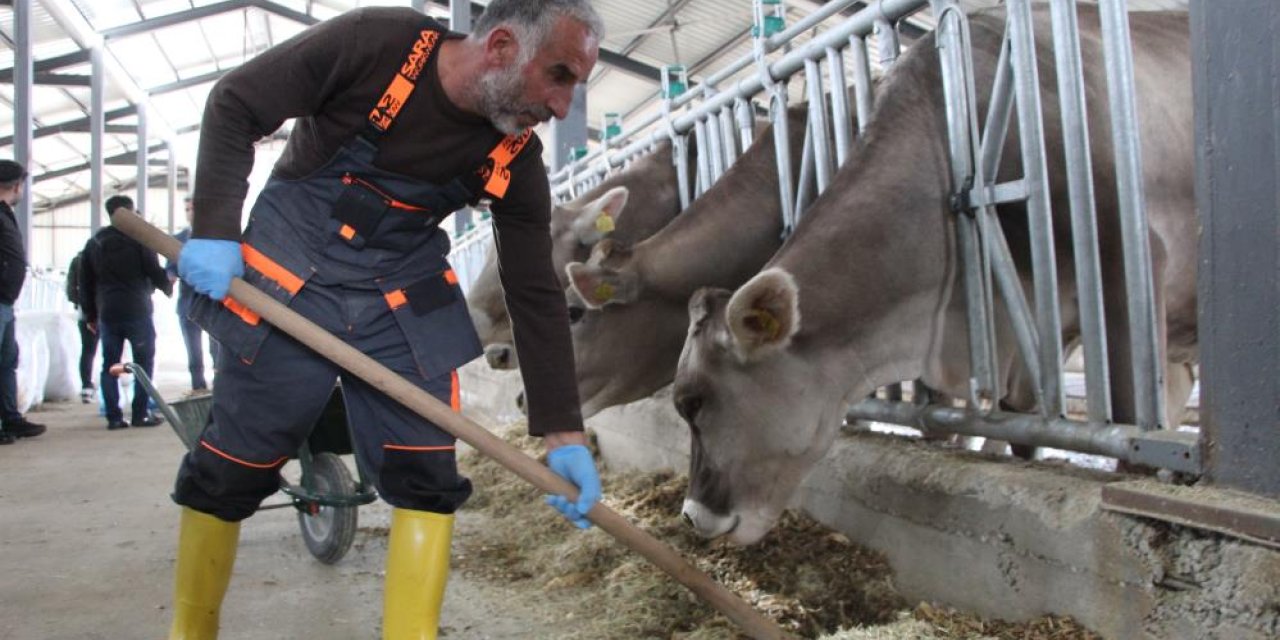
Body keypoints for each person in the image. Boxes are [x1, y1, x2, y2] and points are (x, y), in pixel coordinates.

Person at [169, 1, 604, 637]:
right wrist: (213, 227)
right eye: (559, 75)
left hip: (401, 288)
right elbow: (235, 101)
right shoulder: (378, 45)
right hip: (293, 271)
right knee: (233, 465)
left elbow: (534, 289)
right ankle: (190, 629)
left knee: (426, 470)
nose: (564, 107)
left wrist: (564, 430)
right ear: (503, 47)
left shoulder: (516, 158)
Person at [79, 194, 172, 431]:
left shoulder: (95, 242)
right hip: (137, 309)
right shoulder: (139, 240)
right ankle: (140, 414)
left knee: (110, 364)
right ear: (129, 213)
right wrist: (168, 285)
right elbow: (154, 270)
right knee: (143, 363)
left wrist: (90, 315)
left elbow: (85, 281)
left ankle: (114, 417)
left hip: (108, 312)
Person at [0, 159, 46, 445]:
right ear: (16, 186)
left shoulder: (5, 214)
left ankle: (11, 419)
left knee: (7, 362)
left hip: (6, 302)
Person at [164, 196, 217, 395]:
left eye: (193, 208)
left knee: (218, 348)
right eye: (187, 209)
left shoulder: (217, 238)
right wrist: (169, 278)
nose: (190, 213)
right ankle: (198, 387)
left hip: (214, 302)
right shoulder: (177, 240)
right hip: (188, 304)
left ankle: (219, 386)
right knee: (193, 350)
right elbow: (169, 269)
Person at [65, 250, 98, 403]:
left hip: (85, 312)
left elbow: (71, 289)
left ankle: (86, 387)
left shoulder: (78, 259)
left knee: (88, 350)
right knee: (112, 351)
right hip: (109, 310)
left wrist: (81, 304)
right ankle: (111, 386)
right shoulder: (109, 257)